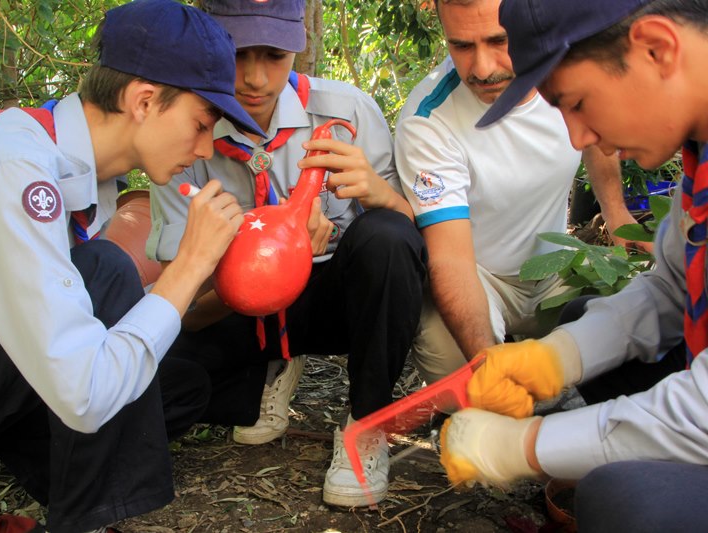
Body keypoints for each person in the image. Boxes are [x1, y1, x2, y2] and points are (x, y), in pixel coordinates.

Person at [0, 0, 265, 531]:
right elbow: (84, 392)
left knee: (178, 385)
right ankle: (82, 521)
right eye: (200, 123)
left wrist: (212, 265)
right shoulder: (14, 169)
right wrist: (186, 265)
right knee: (104, 274)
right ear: (144, 100)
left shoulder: (82, 178)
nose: (205, 147)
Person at [439, 0, 708, 530]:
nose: (578, 138)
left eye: (578, 103)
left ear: (657, 48)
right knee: (585, 321)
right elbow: (671, 291)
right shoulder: (697, 160)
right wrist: (557, 356)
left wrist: (527, 445)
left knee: (627, 500)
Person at [149, 0, 427, 508]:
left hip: (332, 303)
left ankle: (366, 421)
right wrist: (256, 268)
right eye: (236, 53)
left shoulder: (347, 112)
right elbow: (184, 310)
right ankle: (271, 369)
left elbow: (410, 247)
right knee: (161, 385)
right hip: (236, 310)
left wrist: (378, 194)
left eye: (274, 55)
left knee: (386, 235)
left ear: (298, 46)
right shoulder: (181, 127)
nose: (255, 78)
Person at [394, 0, 647, 386]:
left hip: (555, 264)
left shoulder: (568, 66)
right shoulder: (428, 120)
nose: (482, 68)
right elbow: (451, 260)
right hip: (477, 273)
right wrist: (488, 361)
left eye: (500, 41)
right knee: (463, 385)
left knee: (612, 357)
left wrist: (616, 213)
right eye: (462, 46)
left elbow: (595, 137)